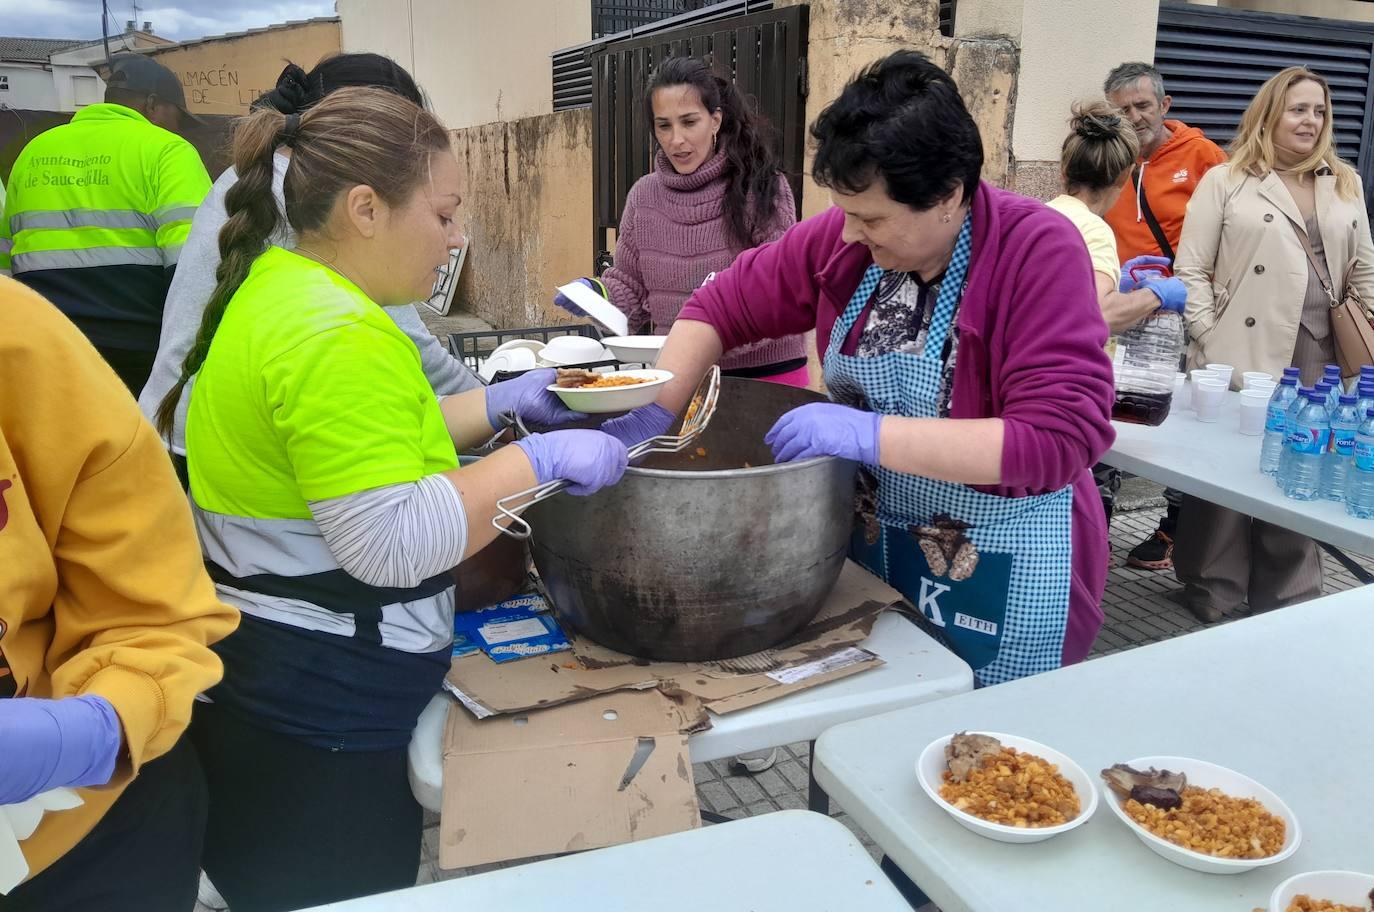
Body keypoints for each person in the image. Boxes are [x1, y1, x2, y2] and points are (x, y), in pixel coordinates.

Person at [162, 87, 626, 911]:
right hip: (319, 709)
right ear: (366, 209)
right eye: (444, 215)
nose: (454, 240)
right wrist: (540, 461)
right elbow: (391, 541)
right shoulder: (334, 335)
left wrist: (509, 403)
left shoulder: (287, 288)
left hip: (268, 685)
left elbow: (370, 449)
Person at [608, 50, 1115, 687]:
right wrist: (656, 411)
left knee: (991, 768)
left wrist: (869, 436)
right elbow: (719, 305)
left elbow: (1057, 438)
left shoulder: (1036, 252)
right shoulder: (842, 244)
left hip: (1002, 560)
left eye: (872, 218)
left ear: (947, 195)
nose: (849, 236)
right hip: (879, 548)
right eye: (846, 212)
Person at [0, 276, 237, 910]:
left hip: (73, 825)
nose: (455, 238)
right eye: (443, 215)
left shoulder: (20, 344)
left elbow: (149, 607)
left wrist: (101, 727)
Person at [139, 56, 477, 481]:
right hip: (200, 445)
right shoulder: (304, 204)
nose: (455, 238)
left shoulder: (258, 174)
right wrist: (504, 419)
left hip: (191, 427)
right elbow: (410, 345)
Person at [1172, 66, 1374, 622]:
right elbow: (1191, 268)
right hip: (1244, 347)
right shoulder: (1228, 179)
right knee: (1227, 474)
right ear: (1269, 114)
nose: (1312, 121)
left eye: (1320, 111)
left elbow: (1364, 271)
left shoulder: (1344, 181)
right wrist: (1209, 335)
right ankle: (1214, 588)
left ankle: (1288, 597)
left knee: (1301, 466)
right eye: (1298, 109)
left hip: (1322, 353)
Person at [554, 56, 808, 386]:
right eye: (664, 125)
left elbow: (784, 290)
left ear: (715, 120)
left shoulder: (761, 187)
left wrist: (702, 339)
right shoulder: (644, 196)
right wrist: (596, 296)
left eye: (689, 122)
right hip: (680, 379)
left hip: (766, 379)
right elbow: (630, 289)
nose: (676, 140)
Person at [0, 54, 211, 394]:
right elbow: (197, 261)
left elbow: (5, 259)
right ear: (153, 105)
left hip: (45, 346)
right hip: (138, 350)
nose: (179, 127)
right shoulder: (168, 151)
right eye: (178, 116)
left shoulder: (32, 152)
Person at [1103, 61, 1228, 572]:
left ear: (1165, 106)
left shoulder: (1203, 158)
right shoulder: (1110, 157)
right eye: (1122, 109)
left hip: (1173, 314)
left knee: (1171, 421)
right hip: (1118, 310)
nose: (1134, 118)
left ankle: (1173, 527)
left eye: (1142, 106)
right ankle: (1098, 521)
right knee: (1114, 413)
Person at [1046, 101, 1188, 521]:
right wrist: (1156, 296)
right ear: (1125, 178)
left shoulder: (1044, 214)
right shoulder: (1094, 229)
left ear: (1063, 169)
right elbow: (1098, 315)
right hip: (1072, 395)